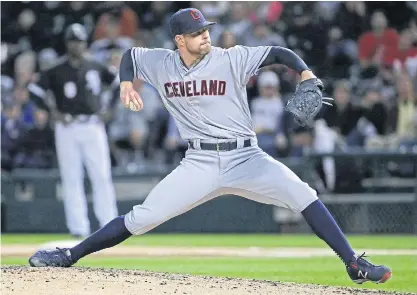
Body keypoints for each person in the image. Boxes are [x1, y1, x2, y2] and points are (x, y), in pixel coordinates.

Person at [28, 9, 391, 285]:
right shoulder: (161, 63)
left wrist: (307, 74)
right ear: (179, 40)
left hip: (247, 157)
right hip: (199, 161)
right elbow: (131, 58)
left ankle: (353, 264)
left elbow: (279, 53)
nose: (204, 36)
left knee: (303, 193)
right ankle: (70, 254)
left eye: (205, 30)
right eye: (196, 33)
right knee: (142, 218)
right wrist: (127, 84)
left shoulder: (228, 58)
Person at [27, 23, 119, 238]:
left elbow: (118, 84)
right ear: (67, 43)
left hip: (92, 124)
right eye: (72, 41)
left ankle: (109, 224)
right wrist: (52, 112)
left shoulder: (95, 65)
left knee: (102, 176)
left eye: (79, 41)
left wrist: (110, 110)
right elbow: (34, 90)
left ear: (84, 42)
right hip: (66, 126)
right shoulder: (56, 69)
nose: (76, 45)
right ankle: (78, 227)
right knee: (71, 178)